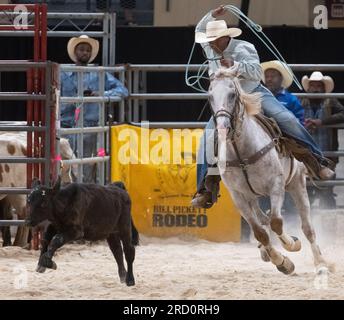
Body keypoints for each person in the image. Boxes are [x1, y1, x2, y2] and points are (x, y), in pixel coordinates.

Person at [191, 5, 334, 209]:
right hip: (228, 101)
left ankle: (317, 161)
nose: (210, 44)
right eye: (209, 41)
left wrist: (236, 65)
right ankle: (205, 188)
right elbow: (199, 29)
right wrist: (212, 14)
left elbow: (256, 72)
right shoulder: (210, 47)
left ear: (224, 38)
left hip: (253, 94)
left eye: (213, 40)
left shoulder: (243, 48)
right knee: (207, 139)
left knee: (287, 119)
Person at [60, 35, 128, 183]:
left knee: (86, 165)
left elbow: (122, 90)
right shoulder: (63, 73)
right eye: (82, 49)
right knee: (65, 166)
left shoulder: (99, 73)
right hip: (66, 127)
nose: (85, 53)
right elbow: (53, 94)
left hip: (89, 128)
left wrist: (101, 94)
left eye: (88, 50)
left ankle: (85, 196)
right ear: (75, 52)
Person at [301, 71, 344, 208]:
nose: (315, 89)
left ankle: (328, 222)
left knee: (326, 189)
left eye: (318, 86)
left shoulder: (330, 100)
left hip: (326, 153)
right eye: (312, 85)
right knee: (305, 189)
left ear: (324, 88)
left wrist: (322, 121)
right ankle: (308, 222)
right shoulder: (301, 101)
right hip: (305, 154)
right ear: (308, 88)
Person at [262, 60, 304, 125]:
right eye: (266, 76)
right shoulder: (261, 98)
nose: (269, 79)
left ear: (281, 78)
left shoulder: (291, 99)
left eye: (273, 76)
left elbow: (300, 121)